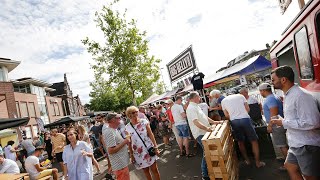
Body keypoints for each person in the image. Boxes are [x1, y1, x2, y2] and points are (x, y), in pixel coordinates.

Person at [270, 65, 320, 179]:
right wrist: (283, 121)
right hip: (296, 143)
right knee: (290, 166)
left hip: (306, 145)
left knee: (310, 176)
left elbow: (313, 122)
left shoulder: (300, 95)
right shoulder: (288, 95)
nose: (271, 83)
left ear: (283, 80)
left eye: (273, 80)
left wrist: (284, 123)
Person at [221, 93, 265, 168]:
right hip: (245, 119)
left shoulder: (223, 101)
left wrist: (234, 117)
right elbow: (248, 109)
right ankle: (258, 162)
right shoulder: (241, 96)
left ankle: (247, 160)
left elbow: (226, 115)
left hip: (234, 121)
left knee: (240, 142)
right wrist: (242, 114)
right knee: (254, 141)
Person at [186, 91, 222, 180]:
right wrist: (207, 128)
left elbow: (204, 117)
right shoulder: (191, 108)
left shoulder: (195, 106)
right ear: (194, 98)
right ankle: (205, 175)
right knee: (207, 152)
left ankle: (208, 171)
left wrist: (214, 122)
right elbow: (196, 122)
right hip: (200, 133)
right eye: (199, 97)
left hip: (203, 132)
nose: (200, 98)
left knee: (208, 152)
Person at [125, 106, 160, 180]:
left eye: (136, 112)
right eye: (133, 112)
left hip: (149, 148)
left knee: (154, 170)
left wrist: (156, 147)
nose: (135, 114)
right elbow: (129, 142)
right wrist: (131, 155)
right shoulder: (127, 128)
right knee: (146, 171)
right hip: (138, 153)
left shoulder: (144, 121)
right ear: (129, 115)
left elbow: (151, 134)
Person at [258, 83, 288, 171]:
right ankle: (287, 160)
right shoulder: (274, 96)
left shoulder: (270, 99)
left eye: (260, 91)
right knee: (283, 144)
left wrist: (270, 125)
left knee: (282, 145)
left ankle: (288, 165)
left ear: (263, 91)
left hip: (276, 125)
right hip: (279, 123)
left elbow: (274, 114)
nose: (260, 93)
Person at [103, 113, 130, 180]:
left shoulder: (114, 130)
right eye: (118, 118)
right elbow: (111, 150)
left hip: (121, 164)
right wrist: (125, 141)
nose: (120, 119)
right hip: (120, 165)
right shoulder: (110, 132)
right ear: (113, 120)